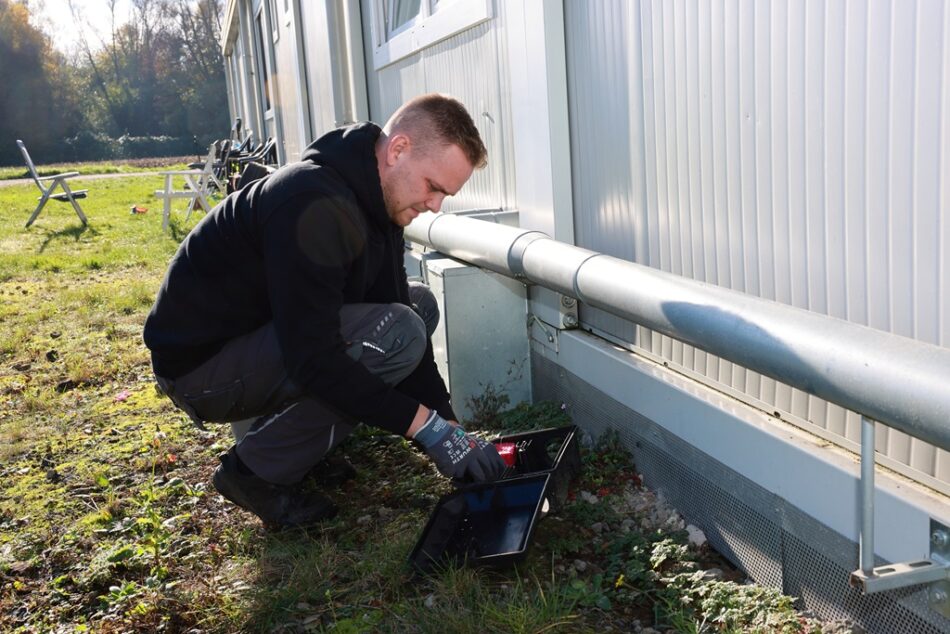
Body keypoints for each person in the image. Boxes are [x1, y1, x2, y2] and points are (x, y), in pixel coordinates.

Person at [143, 94, 506, 529]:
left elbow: (397, 325)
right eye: (433, 187)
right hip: (200, 368)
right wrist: (426, 429)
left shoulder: (379, 206)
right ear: (398, 150)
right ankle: (254, 473)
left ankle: (297, 449)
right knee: (397, 330)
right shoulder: (311, 201)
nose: (435, 205)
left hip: (260, 343)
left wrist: (451, 429)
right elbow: (313, 358)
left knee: (414, 309)